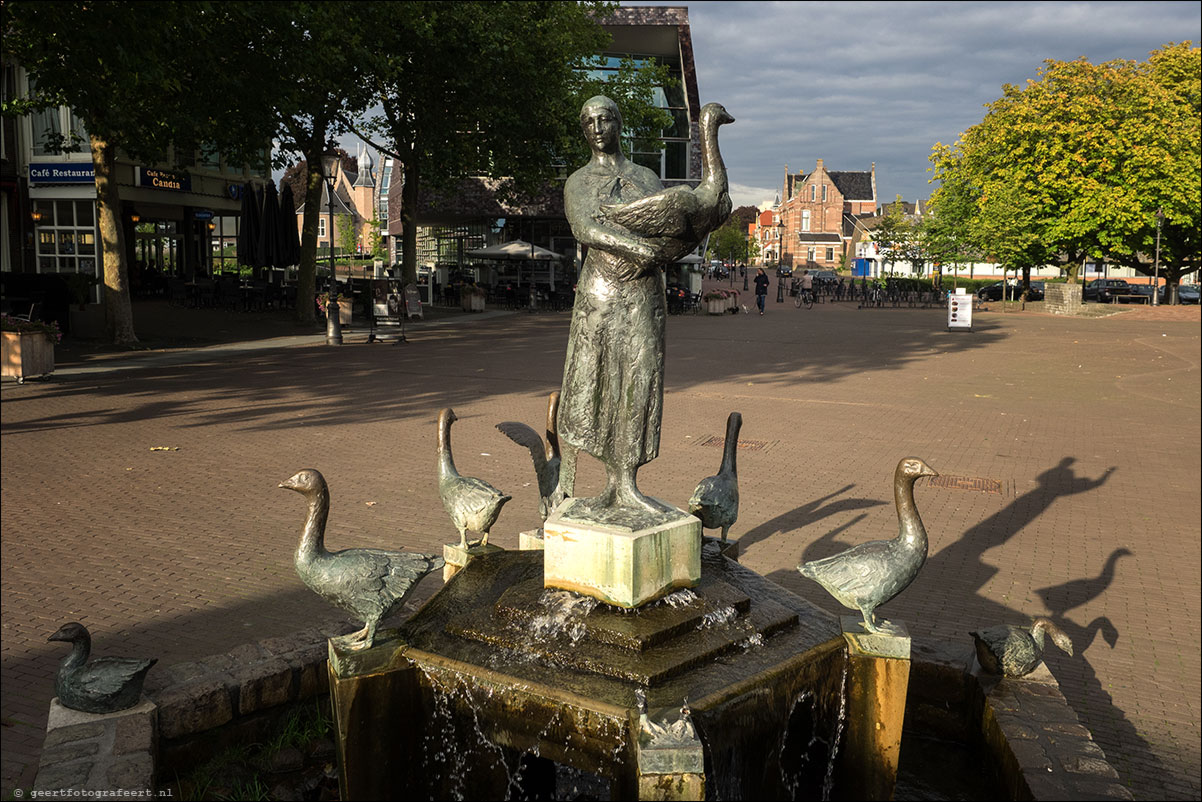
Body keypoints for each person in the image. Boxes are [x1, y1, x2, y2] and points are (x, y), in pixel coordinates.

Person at [558, 96, 692, 515]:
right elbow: (585, 227)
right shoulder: (578, 181)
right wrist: (638, 247)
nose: (598, 127)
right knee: (596, 380)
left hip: (642, 294)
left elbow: (669, 225)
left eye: (605, 119)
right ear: (584, 130)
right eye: (590, 122)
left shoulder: (646, 177)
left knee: (641, 375)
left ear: (619, 124)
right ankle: (606, 485)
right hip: (600, 294)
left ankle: (627, 482)